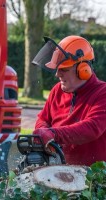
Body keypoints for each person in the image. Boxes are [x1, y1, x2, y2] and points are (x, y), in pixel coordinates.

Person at [31, 35, 106, 166]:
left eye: (64, 69)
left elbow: (92, 127)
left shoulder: (102, 93)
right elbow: (43, 119)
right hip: (59, 169)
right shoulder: (57, 91)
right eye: (57, 69)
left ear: (83, 70)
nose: (57, 74)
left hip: (93, 175)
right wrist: (43, 132)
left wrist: (54, 134)